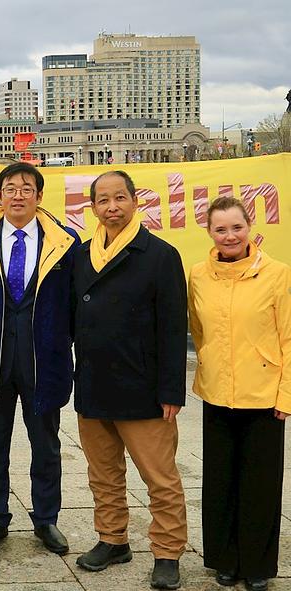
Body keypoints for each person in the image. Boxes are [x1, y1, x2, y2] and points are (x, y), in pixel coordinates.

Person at [72, 170, 187, 590]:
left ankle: (168, 551)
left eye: (119, 198)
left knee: (160, 478)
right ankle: (112, 538)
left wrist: (171, 389)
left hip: (144, 389)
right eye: (103, 201)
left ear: (135, 201)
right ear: (94, 208)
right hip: (93, 385)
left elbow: (175, 327)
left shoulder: (159, 254)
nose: (112, 207)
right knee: (103, 475)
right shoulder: (82, 256)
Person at [0, 163, 78, 556]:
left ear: (39, 196)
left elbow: (74, 305)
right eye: (10, 188)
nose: (18, 195)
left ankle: (46, 520)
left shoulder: (65, 244)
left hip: (44, 361)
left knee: (46, 446)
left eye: (26, 188)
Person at [188, 197, 291, 591]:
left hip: (265, 397)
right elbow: (197, 330)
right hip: (217, 394)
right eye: (220, 229)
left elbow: (288, 336)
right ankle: (225, 560)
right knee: (218, 483)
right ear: (209, 232)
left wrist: (286, 395)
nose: (229, 236)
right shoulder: (198, 274)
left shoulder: (278, 274)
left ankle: (258, 564)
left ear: (249, 227)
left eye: (236, 227)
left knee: (260, 484)